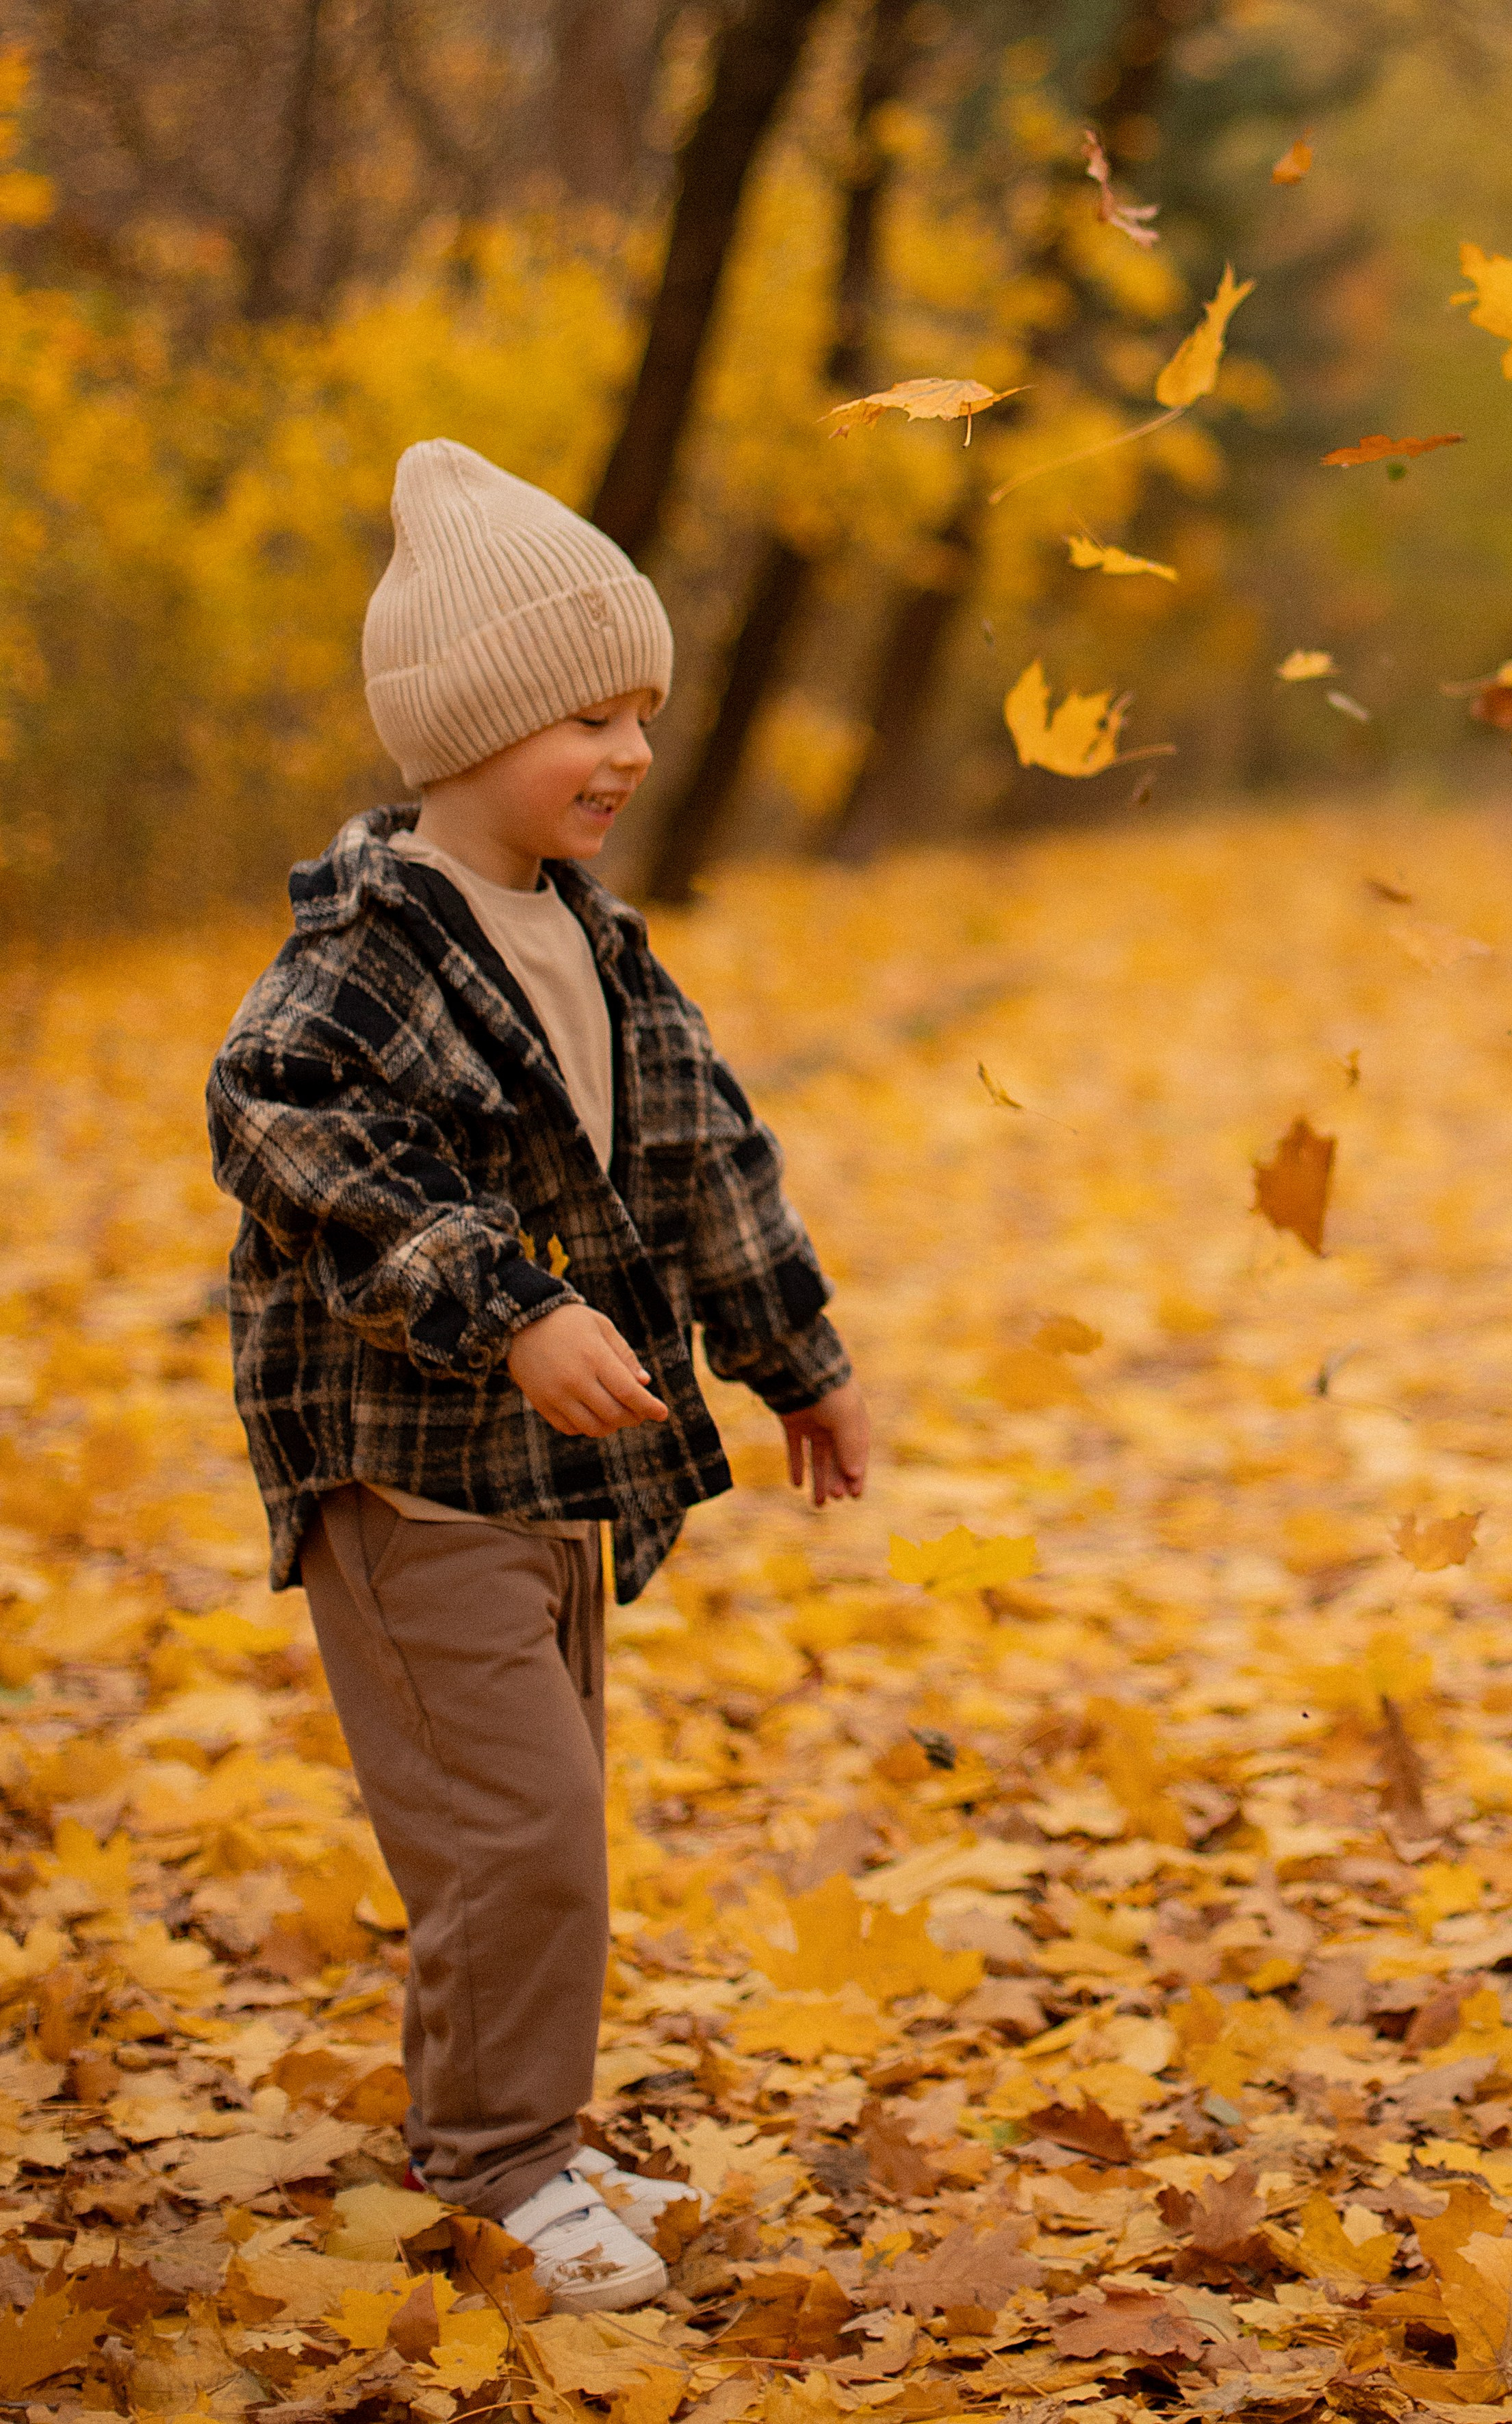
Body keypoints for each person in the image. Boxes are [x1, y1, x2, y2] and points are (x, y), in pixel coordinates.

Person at [207, 438, 870, 2311]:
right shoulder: (364, 953)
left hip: (543, 1492)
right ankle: (499, 2174)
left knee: (547, 1829)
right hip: (414, 1488)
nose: (631, 754)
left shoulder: (593, 942)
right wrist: (506, 1304)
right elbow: (282, 1129)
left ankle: (523, 2138)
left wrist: (792, 1358)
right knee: (519, 1842)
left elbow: (701, 1160)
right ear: (461, 726)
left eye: (643, 712)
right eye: (587, 713)